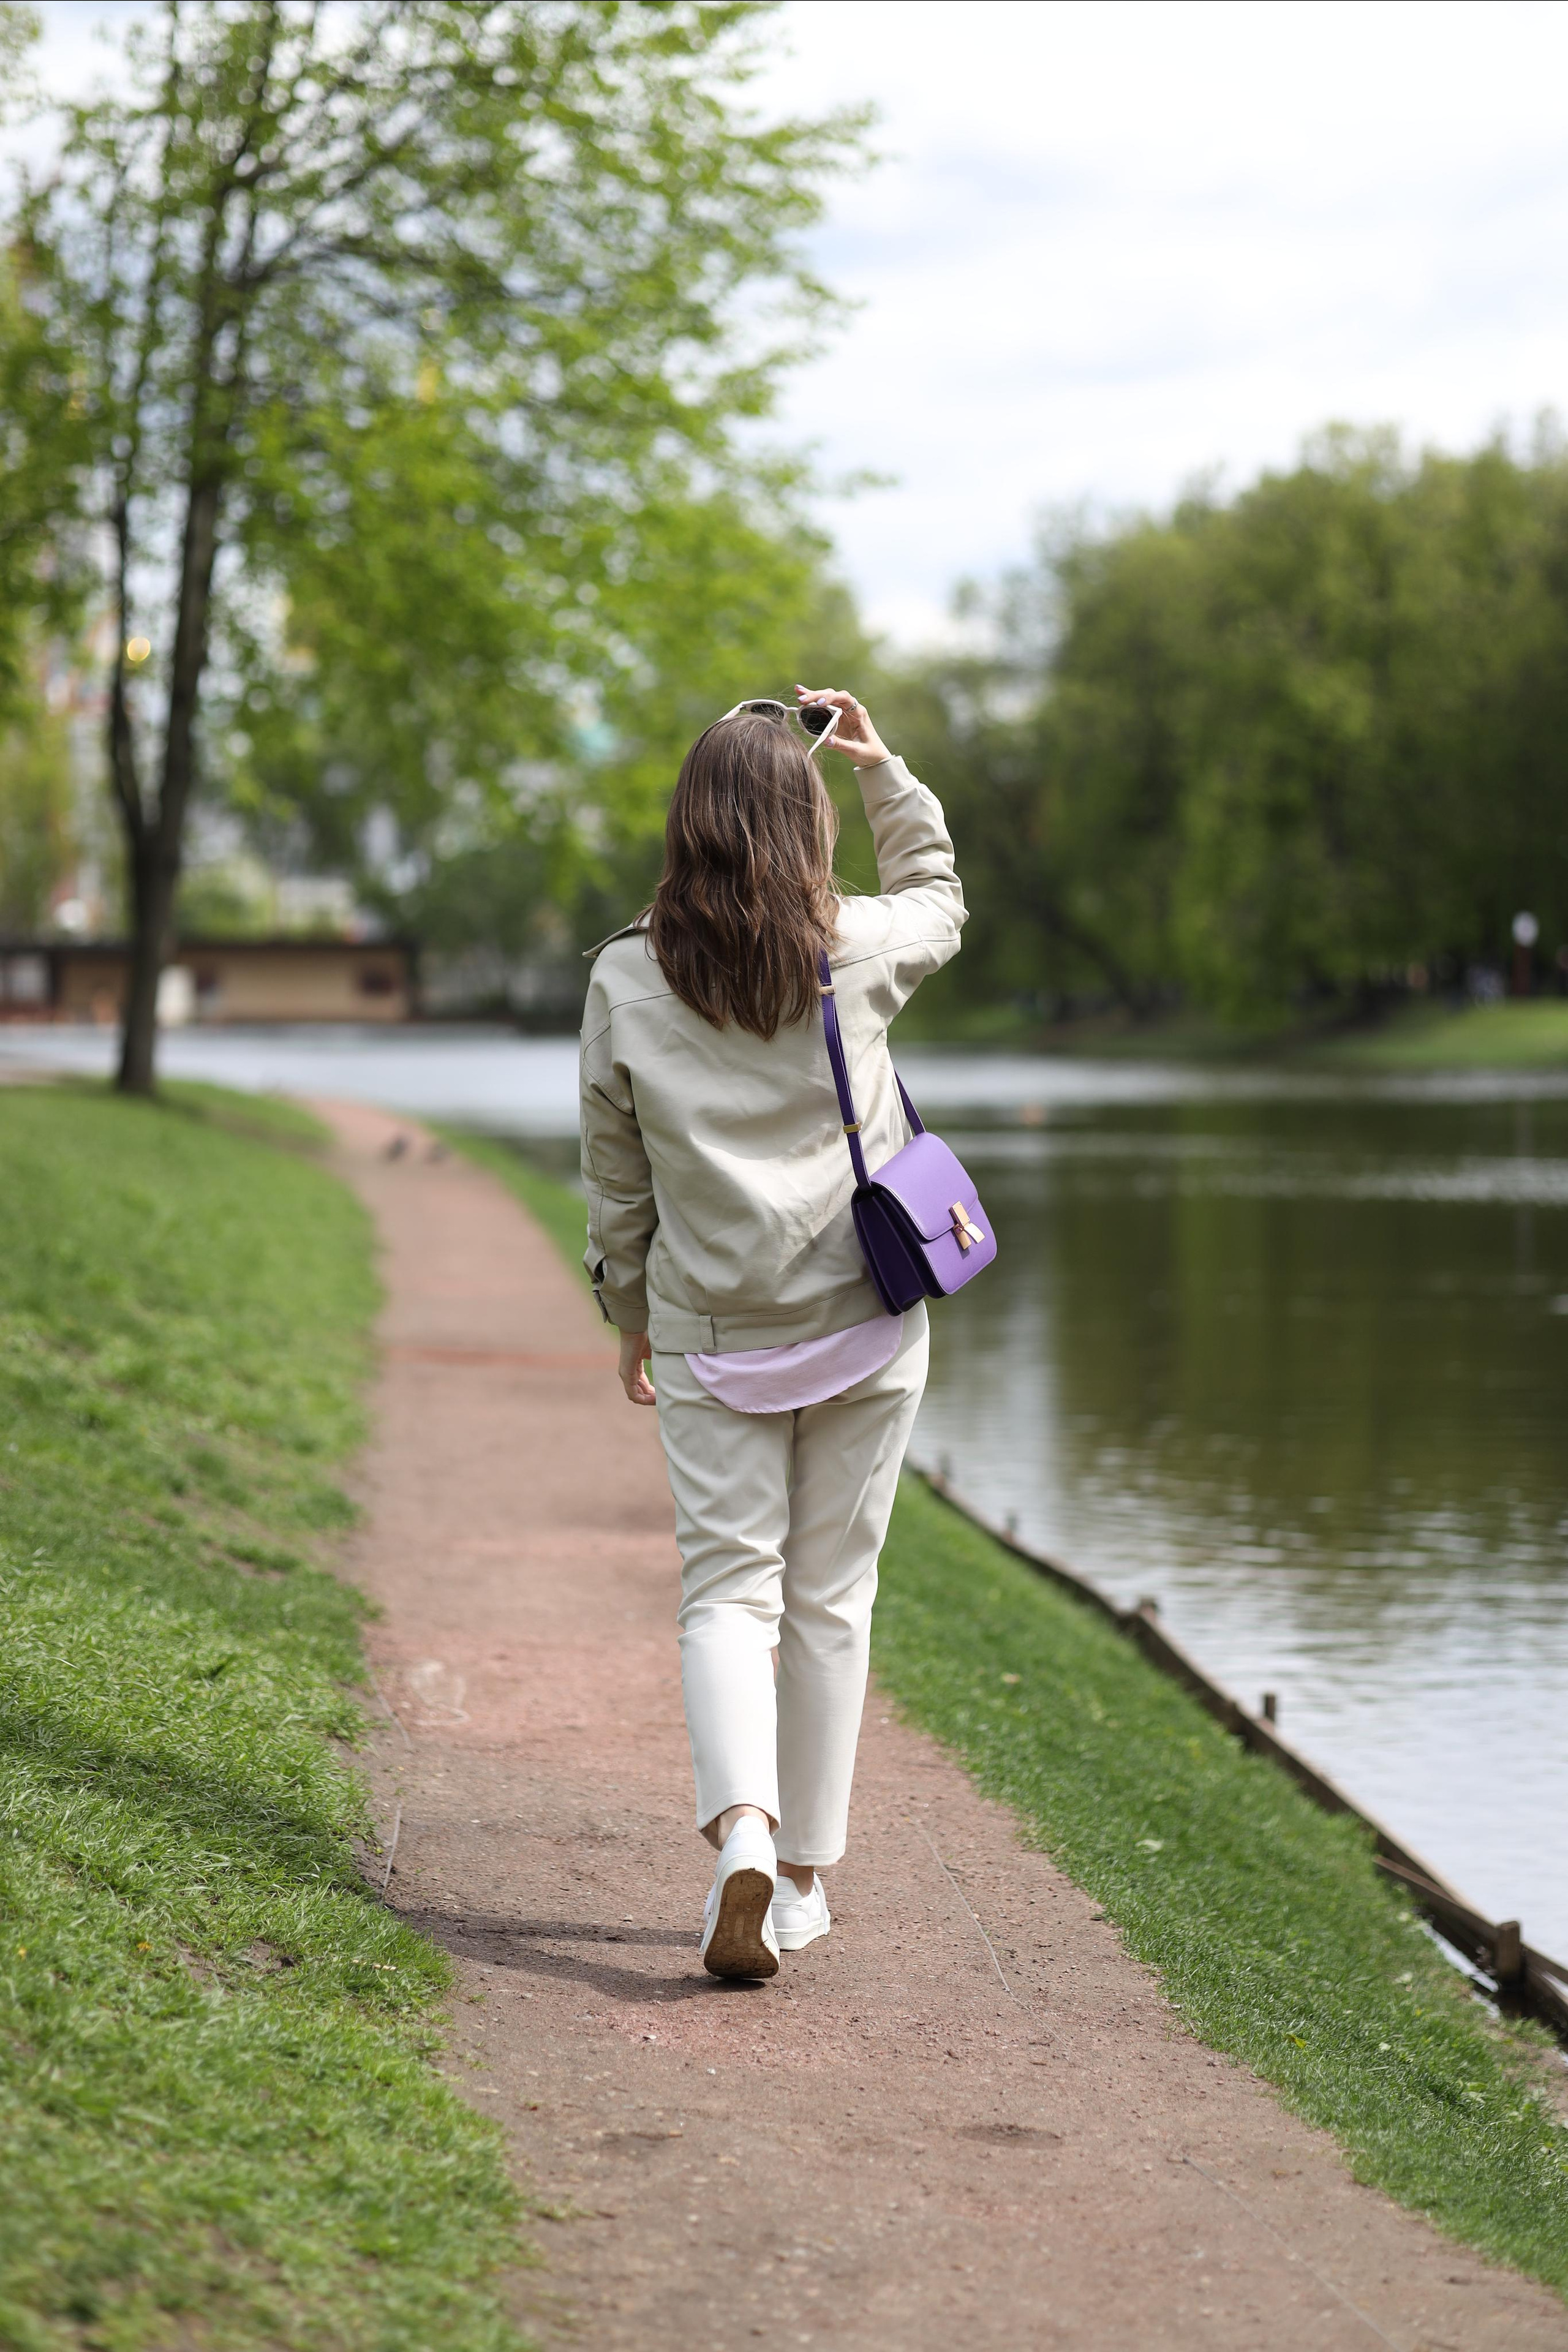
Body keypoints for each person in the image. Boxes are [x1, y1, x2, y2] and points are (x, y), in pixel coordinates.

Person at [578, 686, 965, 1978]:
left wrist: (629, 1315)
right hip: (864, 1316)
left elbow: (616, 1179)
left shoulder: (624, 975)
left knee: (726, 1595)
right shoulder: (855, 945)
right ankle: (798, 1884)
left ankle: (740, 1829)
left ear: (687, 823)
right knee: (830, 1600)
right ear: (804, 822)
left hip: (712, 1329)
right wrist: (879, 768)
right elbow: (939, 893)